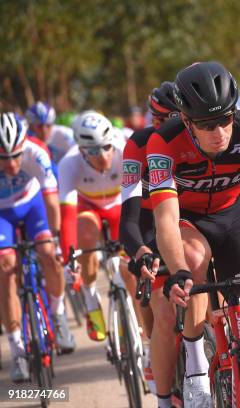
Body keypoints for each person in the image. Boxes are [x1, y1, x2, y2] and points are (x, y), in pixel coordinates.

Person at [147, 61, 240, 407]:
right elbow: (165, 219)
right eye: (207, 124)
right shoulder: (164, 142)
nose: (220, 131)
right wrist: (178, 272)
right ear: (186, 121)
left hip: (233, 219)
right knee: (191, 259)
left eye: (225, 119)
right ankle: (194, 363)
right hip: (189, 222)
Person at [120, 81, 193, 407]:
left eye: (176, 118)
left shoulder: (198, 136)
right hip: (151, 225)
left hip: (191, 222)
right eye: (160, 120)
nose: (169, 128)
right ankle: (162, 383)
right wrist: (141, 250)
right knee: (164, 313)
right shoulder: (136, 146)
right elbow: (130, 220)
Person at [0, 112, 75, 383]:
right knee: (5, 266)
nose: (11, 164)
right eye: (3, 158)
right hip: (2, 214)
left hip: (33, 206)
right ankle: (17, 349)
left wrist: (54, 242)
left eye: (15, 155)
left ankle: (58, 314)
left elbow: (53, 203)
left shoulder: (36, 152)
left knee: (46, 252)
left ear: (24, 145)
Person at [58, 111, 141, 342]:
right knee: (85, 233)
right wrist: (69, 259)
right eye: (93, 151)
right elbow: (66, 218)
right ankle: (91, 298)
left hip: (119, 204)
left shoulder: (125, 151)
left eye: (106, 147)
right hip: (89, 206)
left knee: (129, 267)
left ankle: (139, 327)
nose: (103, 156)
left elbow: (142, 200)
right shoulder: (69, 163)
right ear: (82, 150)